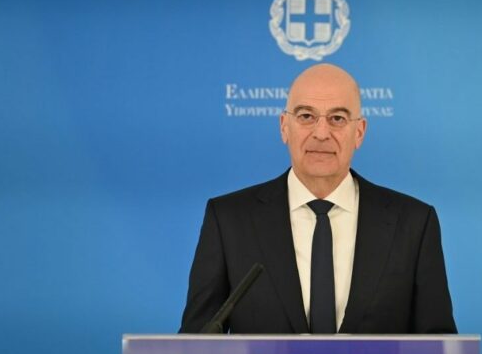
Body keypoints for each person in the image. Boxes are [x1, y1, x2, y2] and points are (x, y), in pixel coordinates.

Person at [179, 64, 456, 334]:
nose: (321, 133)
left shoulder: (413, 224)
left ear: (359, 132)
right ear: (284, 126)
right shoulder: (229, 220)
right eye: (306, 116)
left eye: (337, 118)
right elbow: (194, 347)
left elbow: (440, 350)